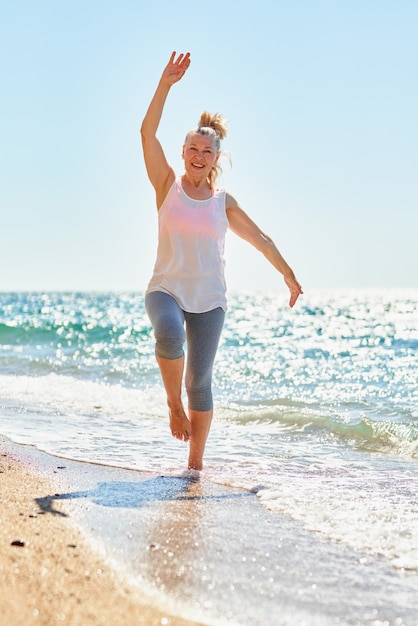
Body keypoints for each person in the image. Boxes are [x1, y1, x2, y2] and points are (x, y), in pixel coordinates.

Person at [140, 51, 303, 471]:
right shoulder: (166, 186)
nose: (198, 155)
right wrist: (164, 86)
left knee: (201, 382)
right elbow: (145, 133)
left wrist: (288, 274)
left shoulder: (222, 203)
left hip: (210, 300)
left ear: (216, 158)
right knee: (169, 334)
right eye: (192, 148)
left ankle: (194, 469)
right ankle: (172, 406)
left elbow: (261, 238)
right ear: (182, 152)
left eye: (206, 151)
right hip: (166, 289)